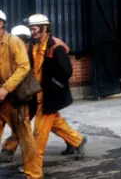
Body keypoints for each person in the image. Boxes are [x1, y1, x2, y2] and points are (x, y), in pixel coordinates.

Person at [26, 14, 87, 170]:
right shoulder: (34, 45)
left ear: (44, 28)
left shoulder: (55, 46)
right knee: (55, 123)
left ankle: (33, 165)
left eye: (34, 29)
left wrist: (53, 86)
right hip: (37, 93)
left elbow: (66, 70)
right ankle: (77, 141)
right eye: (31, 29)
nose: (32, 32)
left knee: (39, 132)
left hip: (49, 96)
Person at [0, 10, 43, 178]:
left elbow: (24, 67)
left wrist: (6, 88)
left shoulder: (13, 41)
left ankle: (34, 174)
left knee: (25, 138)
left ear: (1, 23)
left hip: (14, 99)